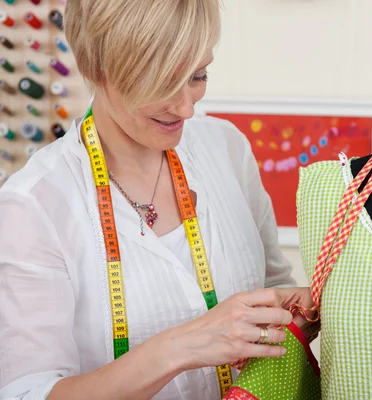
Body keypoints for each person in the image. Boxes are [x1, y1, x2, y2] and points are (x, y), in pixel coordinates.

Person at [0, 1, 314, 399]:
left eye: (198, 75)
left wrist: (298, 311)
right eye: (161, 82)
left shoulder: (226, 148)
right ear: (98, 68)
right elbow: (28, 393)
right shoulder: (34, 205)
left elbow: (275, 285)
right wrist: (181, 348)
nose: (186, 106)